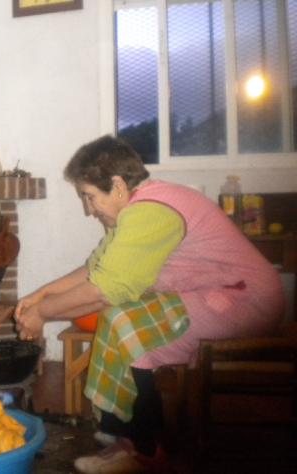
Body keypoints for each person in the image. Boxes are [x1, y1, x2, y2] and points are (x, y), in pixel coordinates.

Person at [15, 135, 285, 473]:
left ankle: (144, 450)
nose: (89, 210)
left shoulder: (150, 211)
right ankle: (129, 438)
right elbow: (94, 269)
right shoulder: (137, 208)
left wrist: (42, 314)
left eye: (89, 197)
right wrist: (40, 296)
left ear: (117, 186)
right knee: (122, 321)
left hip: (246, 301)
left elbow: (105, 290)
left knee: (126, 323)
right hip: (216, 295)